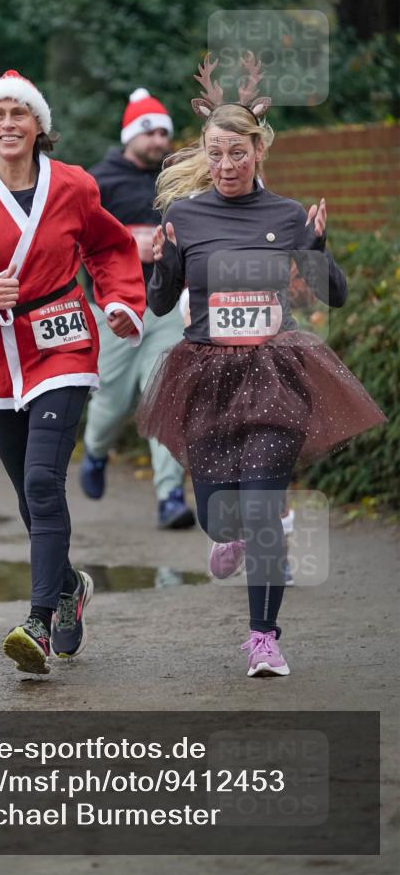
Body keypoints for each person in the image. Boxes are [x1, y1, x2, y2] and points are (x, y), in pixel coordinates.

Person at [137, 52, 386, 678]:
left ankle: (265, 637)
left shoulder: (286, 214)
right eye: (215, 154)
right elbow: (162, 301)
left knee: (261, 507)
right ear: (205, 152)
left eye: (237, 154)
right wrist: (163, 264)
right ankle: (236, 536)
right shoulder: (184, 216)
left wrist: (319, 247)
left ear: (257, 153)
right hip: (205, 374)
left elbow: (332, 293)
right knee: (220, 515)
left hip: (274, 372)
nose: (225, 166)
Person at [0, 70, 146, 675]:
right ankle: (69, 587)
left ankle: (39, 621)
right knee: (28, 495)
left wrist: (120, 301)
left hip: (63, 338)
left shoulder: (73, 185)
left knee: (44, 484)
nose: (9, 124)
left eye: (20, 114)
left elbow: (112, 247)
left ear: (40, 125)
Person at [79, 88, 195, 529]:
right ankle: (94, 450)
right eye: (149, 133)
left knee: (165, 396)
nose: (158, 141)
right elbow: (78, 240)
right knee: (110, 398)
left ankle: (169, 497)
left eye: (164, 133)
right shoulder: (98, 181)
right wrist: (130, 244)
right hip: (113, 308)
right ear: (130, 135)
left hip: (165, 308)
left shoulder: (176, 182)